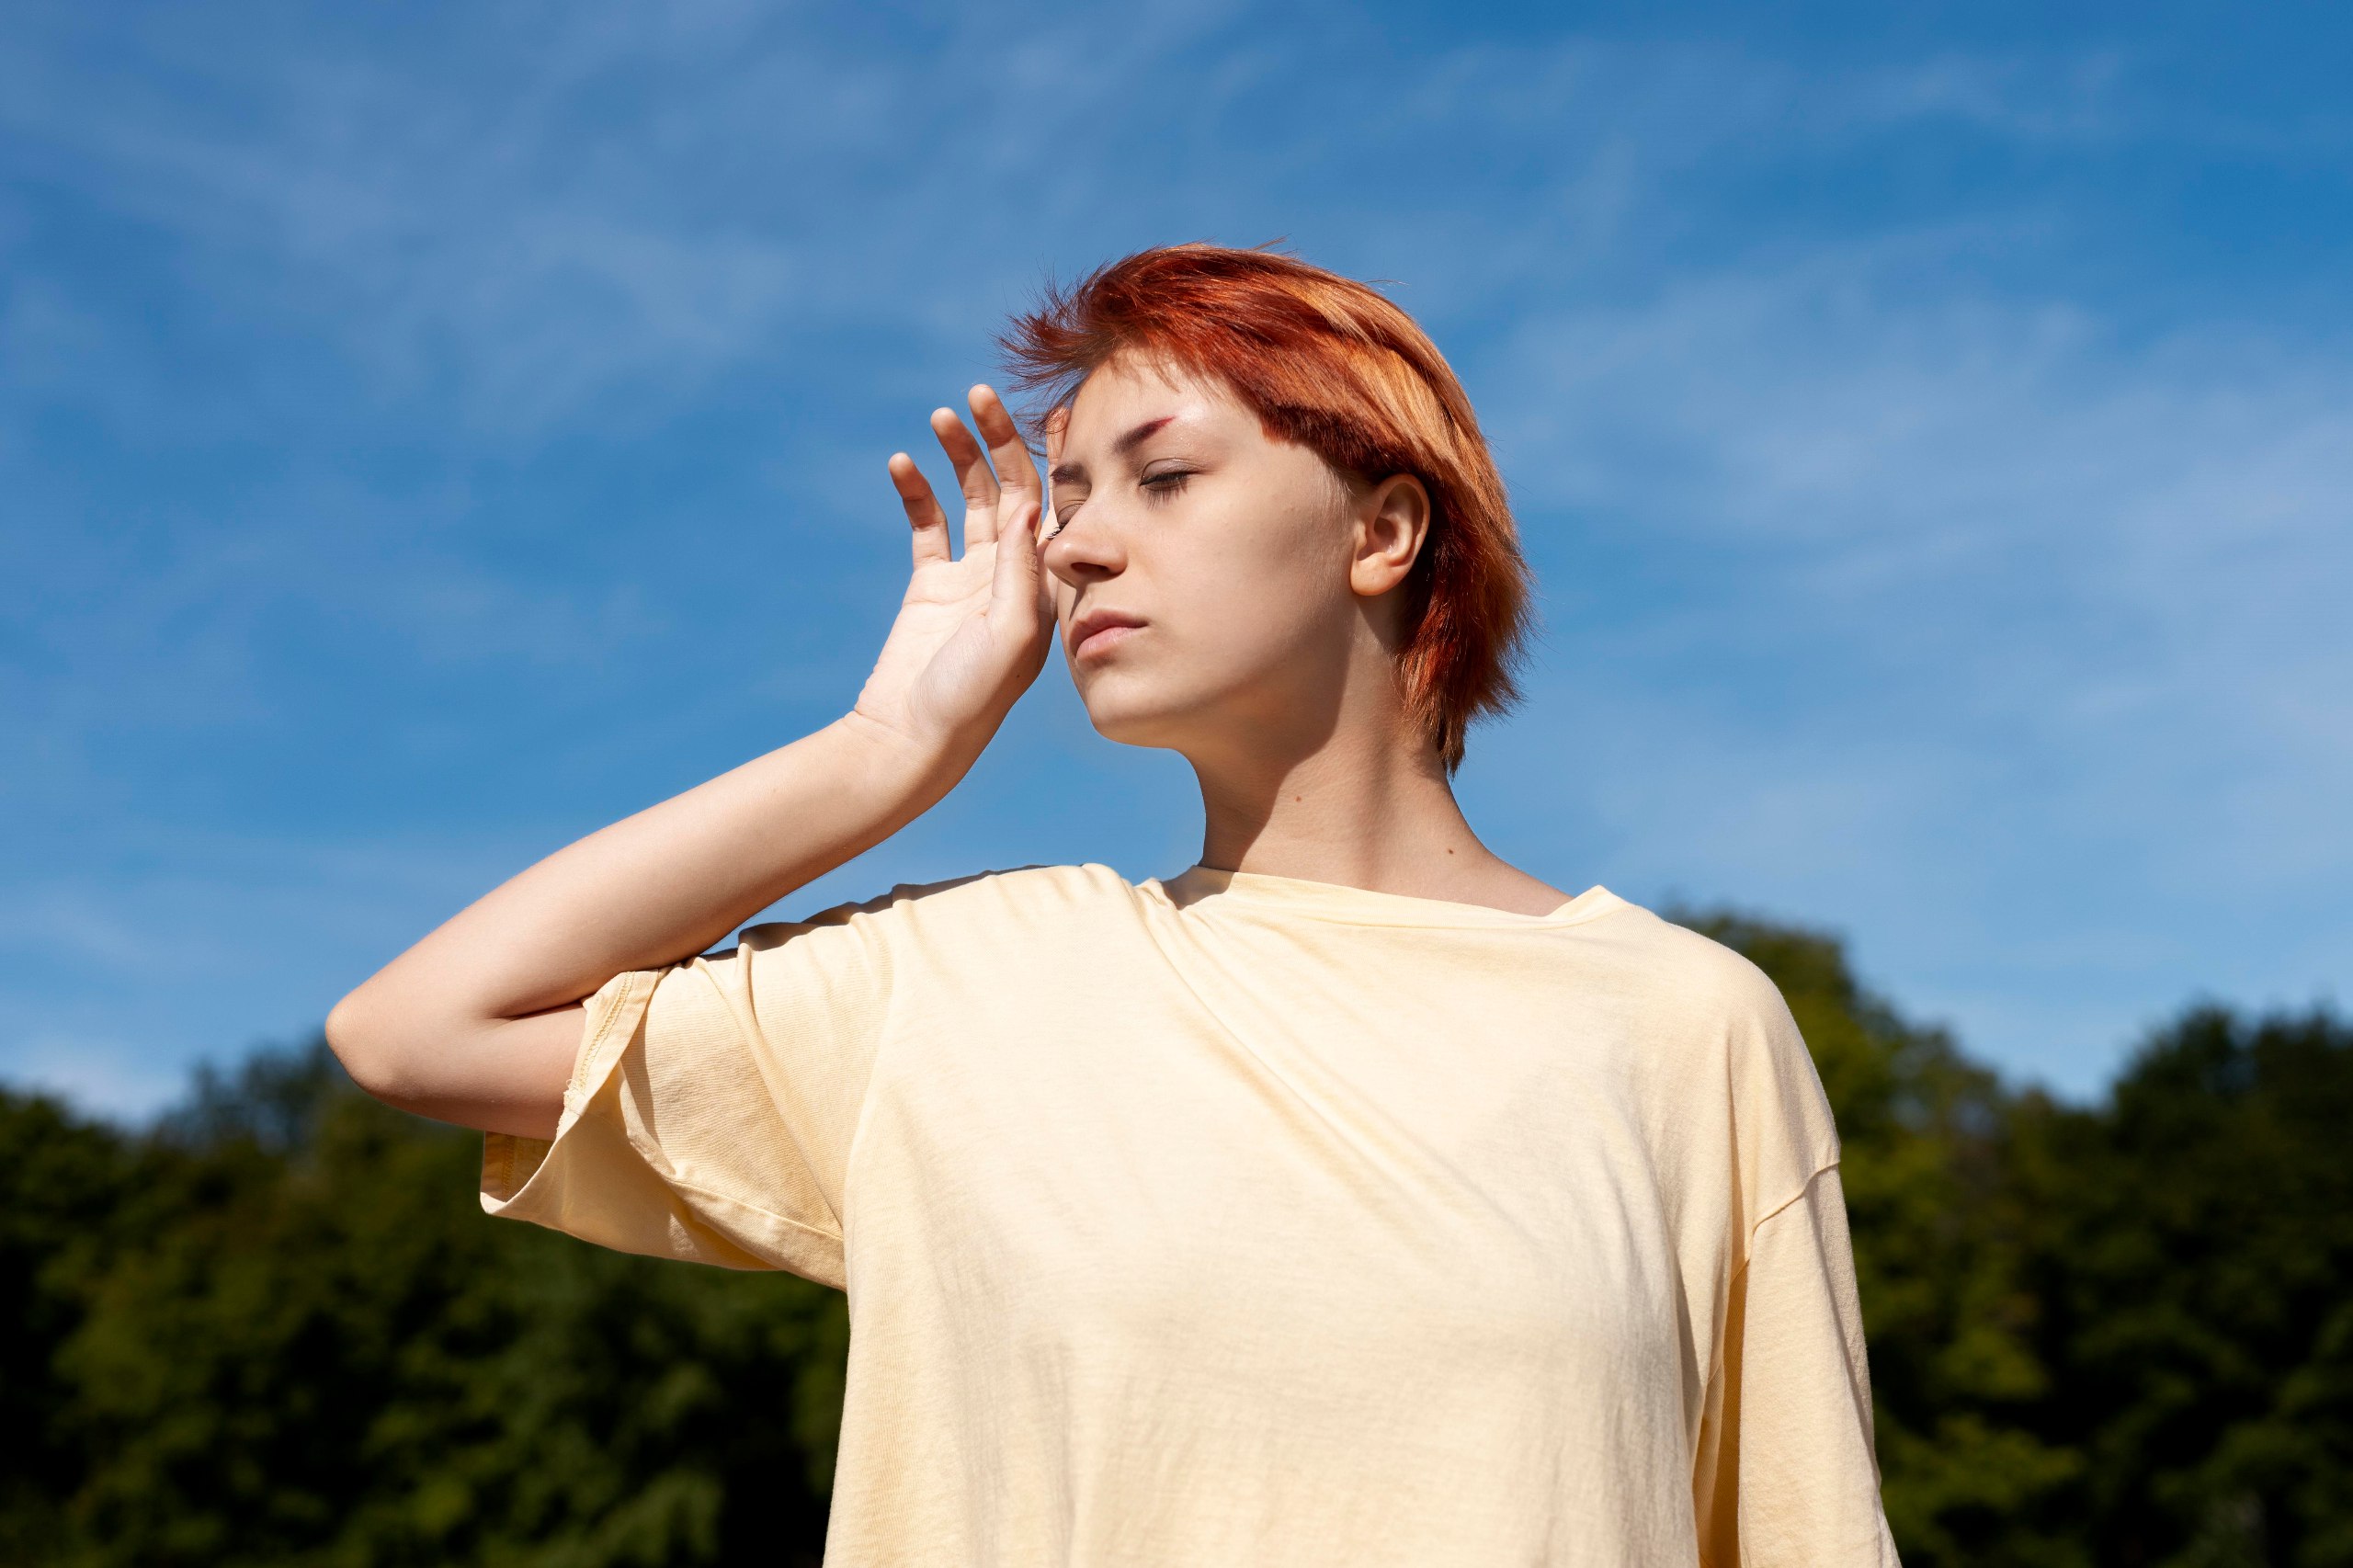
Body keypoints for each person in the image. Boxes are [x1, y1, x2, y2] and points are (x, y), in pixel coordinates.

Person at [326, 244, 1902, 1566]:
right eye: (1068, 495)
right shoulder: (964, 982)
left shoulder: (1684, 1026)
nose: (1073, 544)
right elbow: (417, 1030)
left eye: (1163, 476)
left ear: (1382, 528)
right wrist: (888, 750)